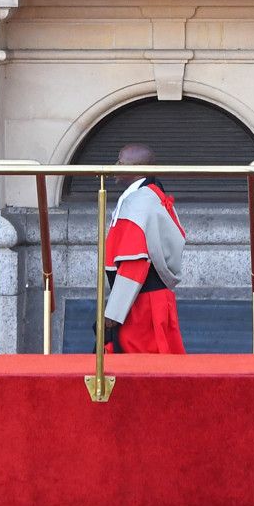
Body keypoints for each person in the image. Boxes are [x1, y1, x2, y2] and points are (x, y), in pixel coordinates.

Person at [101, 143, 188, 353]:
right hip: (150, 298)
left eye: (120, 162)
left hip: (141, 304)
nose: (114, 167)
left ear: (136, 168)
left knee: (140, 369)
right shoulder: (152, 195)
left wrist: (114, 310)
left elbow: (134, 260)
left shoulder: (138, 202)